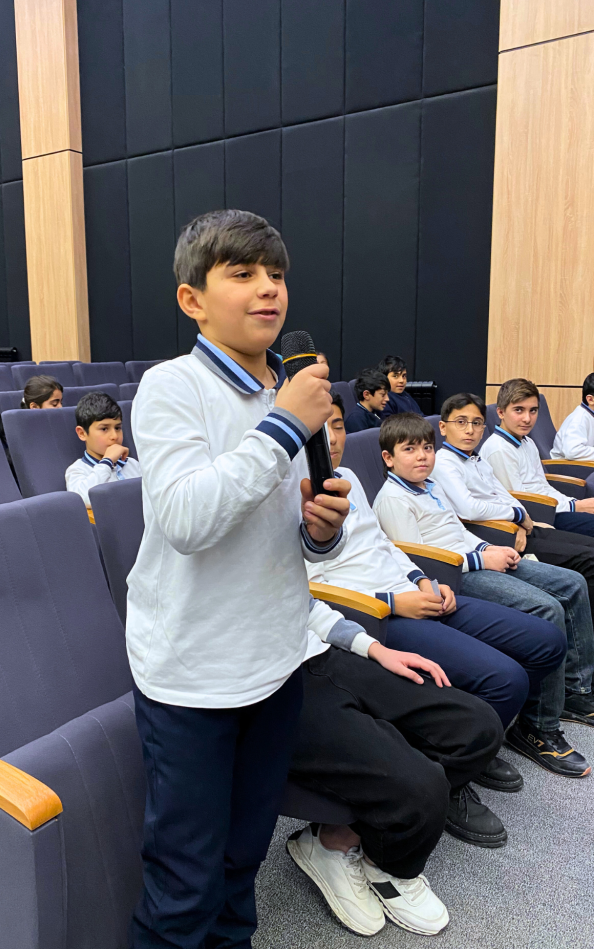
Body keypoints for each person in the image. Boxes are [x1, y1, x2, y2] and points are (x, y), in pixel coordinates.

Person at [127, 208, 352, 949]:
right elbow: (187, 520)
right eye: (244, 274)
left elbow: (289, 534)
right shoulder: (172, 386)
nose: (268, 289)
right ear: (192, 299)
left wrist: (321, 532)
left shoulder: (289, 390)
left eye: (277, 275)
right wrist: (284, 426)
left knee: (241, 859)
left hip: (275, 659)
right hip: (193, 673)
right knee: (184, 880)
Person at [286, 390, 507, 936]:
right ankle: (371, 856)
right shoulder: (233, 501)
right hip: (275, 674)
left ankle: (341, 838)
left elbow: (299, 598)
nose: (328, 440)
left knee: (477, 726)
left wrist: (374, 647)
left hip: (328, 644)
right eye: (314, 427)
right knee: (420, 786)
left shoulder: (332, 486)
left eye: (335, 426)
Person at [374, 413, 591, 778]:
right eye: (409, 449)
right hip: (453, 576)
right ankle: (539, 726)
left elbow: (458, 531)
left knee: (573, 582)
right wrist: (480, 559)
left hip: (475, 558)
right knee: (547, 609)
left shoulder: (430, 485)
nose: (422, 456)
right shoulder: (393, 499)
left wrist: (488, 547)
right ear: (389, 458)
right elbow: (418, 558)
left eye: (427, 448)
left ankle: (577, 689)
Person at [432, 393, 594, 661]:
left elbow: (503, 494)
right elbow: (469, 509)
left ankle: (586, 649)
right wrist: (517, 514)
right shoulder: (445, 462)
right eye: (461, 422)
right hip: (499, 537)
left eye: (476, 423)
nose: (470, 430)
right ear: (443, 427)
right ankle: (581, 662)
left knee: (590, 549)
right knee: (587, 561)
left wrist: (522, 517)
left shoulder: (475, 458)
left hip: (517, 528)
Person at [481, 378, 594, 538]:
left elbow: (543, 486)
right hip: (538, 518)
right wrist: (574, 507)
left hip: (552, 508)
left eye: (533, 410)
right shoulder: (499, 449)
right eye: (519, 410)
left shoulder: (527, 441)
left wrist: (573, 503)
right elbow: (520, 502)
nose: (527, 418)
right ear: (501, 413)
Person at [65, 391, 141, 507]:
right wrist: (107, 461)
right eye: (104, 429)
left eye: (118, 428)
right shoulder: (77, 470)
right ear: (82, 433)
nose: (114, 436)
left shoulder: (132, 464)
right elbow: (84, 499)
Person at [550, 372, 594, 461]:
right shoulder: (579, 419)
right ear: (590, 399)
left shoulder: (589, 415)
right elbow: (573, 451)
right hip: (566, 466)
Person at [344, 369, 389, 434]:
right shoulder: (356, 418)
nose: (387, 399)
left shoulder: (377, 411)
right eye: (383, 395)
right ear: (366, 395)